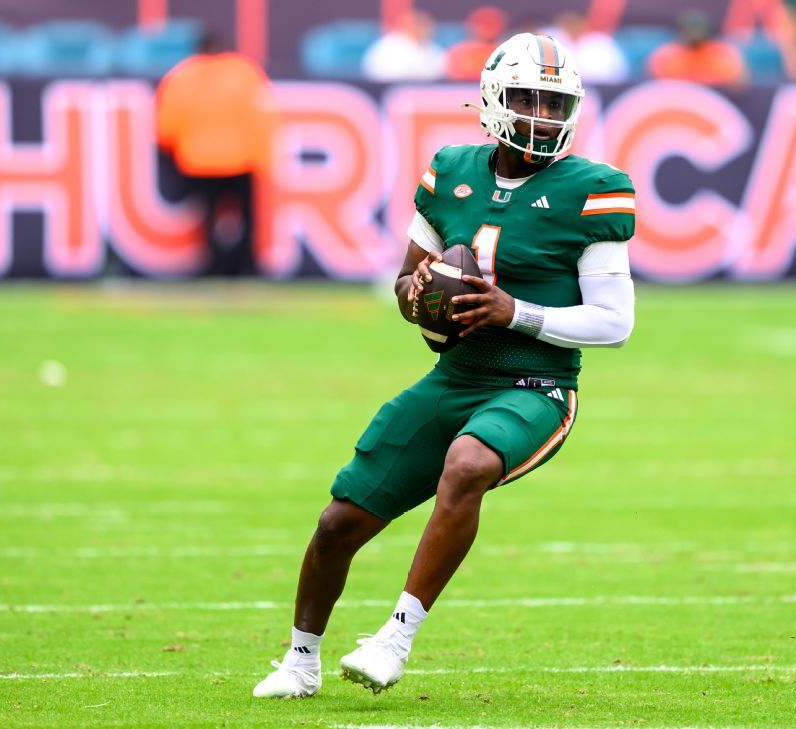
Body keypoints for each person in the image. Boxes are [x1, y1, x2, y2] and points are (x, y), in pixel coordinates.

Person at [252, 31, 636, 699]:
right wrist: (419, 298)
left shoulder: (592, 189)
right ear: (492, 99)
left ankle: (394, 638)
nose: (542, 116)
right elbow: (408, 281)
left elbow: (615, 322)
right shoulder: (452, 170)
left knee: (467, 462)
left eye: (554, 104)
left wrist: (515, 312)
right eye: (528, 99)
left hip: (535, 385)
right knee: (338, 522)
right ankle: (300, 660)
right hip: (455, 377)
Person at [155, 33, 274, 276]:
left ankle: (213, 266)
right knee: (246, 216)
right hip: (241, 159)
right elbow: (263, 116)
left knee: (209, 217)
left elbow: (166, 126)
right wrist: (263, 157)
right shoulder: (243, 71)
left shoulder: (182, 75)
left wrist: (179, 149)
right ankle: (247, 265)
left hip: (199, 160)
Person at [647, 10, 749, 88]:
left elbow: (739, 84)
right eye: (690, 31)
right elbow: (655, 86)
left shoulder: (723, 54)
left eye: (698, 30)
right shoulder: (667, 55)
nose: (694, 35)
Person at [361, 9, 447, 82]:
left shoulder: (433, 48)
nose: (425, 30)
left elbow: (439, 75)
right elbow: (383, 76)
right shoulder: (388, 47)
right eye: (420, 25)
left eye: (427, 26)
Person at [548, 9, 629, 84]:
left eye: (574, 23)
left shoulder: (601, 42)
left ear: (583, 24)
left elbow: (616, 73)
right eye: (567, 24)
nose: (571, 27)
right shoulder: (554, 41)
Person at [444, 5, 508, 81]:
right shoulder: (458, 52)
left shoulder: (508, 51)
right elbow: (453, 77)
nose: (486, 28)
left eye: (491, 24)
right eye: (483, 24)